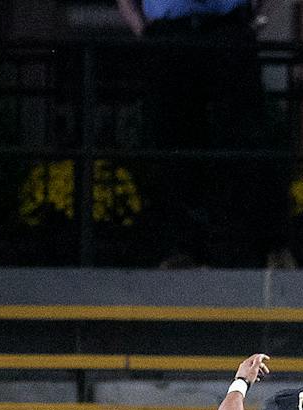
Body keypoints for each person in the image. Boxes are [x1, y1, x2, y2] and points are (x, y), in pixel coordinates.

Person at [114, 0, 290, 268]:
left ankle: (239, 247)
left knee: (241, 139)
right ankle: (180, 246)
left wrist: (253, 23)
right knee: (172, 141)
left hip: (226, 29)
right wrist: (143, 29)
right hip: (171, 33)